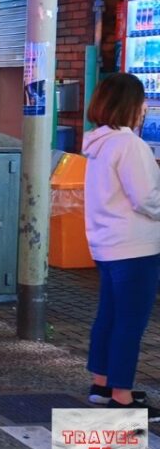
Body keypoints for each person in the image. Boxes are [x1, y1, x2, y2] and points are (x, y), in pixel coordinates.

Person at [82, 73, 160, 418]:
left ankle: (102, 384)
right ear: (130, 104)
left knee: (110, 315)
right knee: (131, 320)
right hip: (135, 246)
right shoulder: (129, 145)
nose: (145, 107)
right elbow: (146, 197)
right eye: (141, 100)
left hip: (105, 244)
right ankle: (123, 397)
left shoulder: (97, 144)